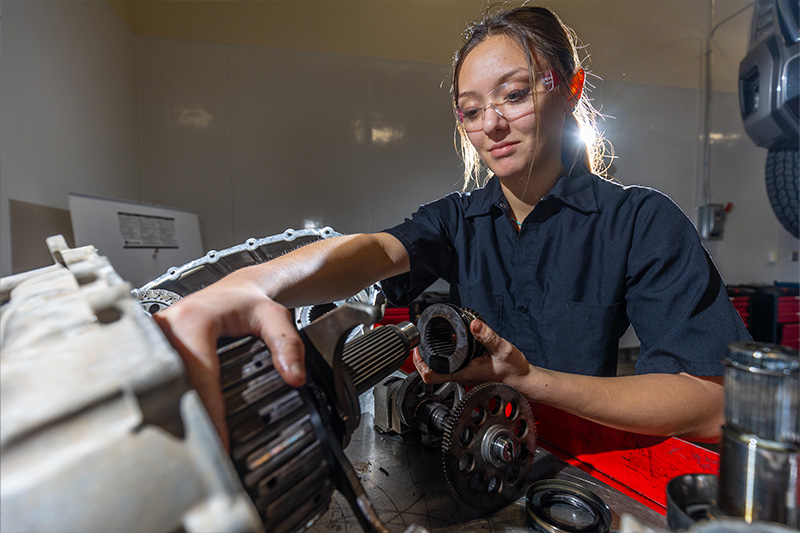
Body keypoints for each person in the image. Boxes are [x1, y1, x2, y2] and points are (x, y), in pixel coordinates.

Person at [155, 5, 751, 449]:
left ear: (571, 91)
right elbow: (371, 251)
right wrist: (256, 284)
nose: (491, 124)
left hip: (582, 458)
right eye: (471, 110)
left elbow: (710, 401)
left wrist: (531, 379)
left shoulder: (640, 222)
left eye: (514, 94)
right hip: (467, 443)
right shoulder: (459, 219)